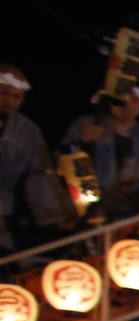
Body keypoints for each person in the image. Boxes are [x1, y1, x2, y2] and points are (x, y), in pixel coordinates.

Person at [60, 87, 139, 222]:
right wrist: (82, 143)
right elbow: (61, 163)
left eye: (135, 101)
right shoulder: (86, 124)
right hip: (87, 213)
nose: (128, 106)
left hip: (134, 217)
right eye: (122, 101)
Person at [0, 65, 70, 254]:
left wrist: (55, 217)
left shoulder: (26, 130)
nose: (10, 101)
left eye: (17, 97)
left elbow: (39, 176)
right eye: (5, 93)